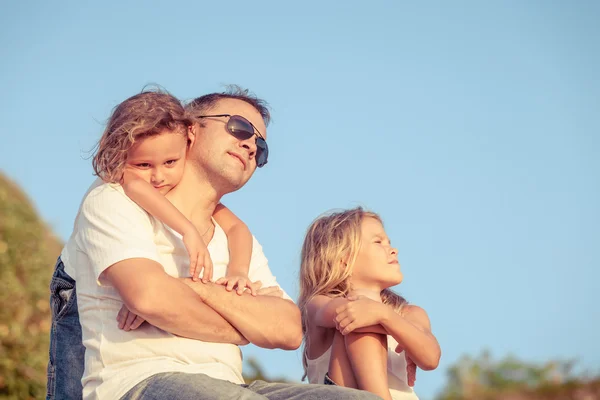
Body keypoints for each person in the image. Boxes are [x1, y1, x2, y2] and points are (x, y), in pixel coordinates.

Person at [47, 87, 381, 400]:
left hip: (231, 385)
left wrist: (192, 288)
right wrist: (245, 326)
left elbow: (289, 329)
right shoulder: (115, 197)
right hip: (140, 382)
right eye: (239, 128)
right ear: (189, 129)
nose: (252, 145)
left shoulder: (235, 239)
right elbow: (149, 297)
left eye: (261, 147)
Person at [299, 208, 441, 400]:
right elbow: (352, 312)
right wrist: (403, 332)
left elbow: (431, 358)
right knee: (356, 316)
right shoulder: (317, 304)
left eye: (389, 242)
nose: (393, 249)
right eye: (378, 242)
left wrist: (385, 315)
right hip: (339, 396)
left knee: (365, 310)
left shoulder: (409, 313)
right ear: (343, 259)